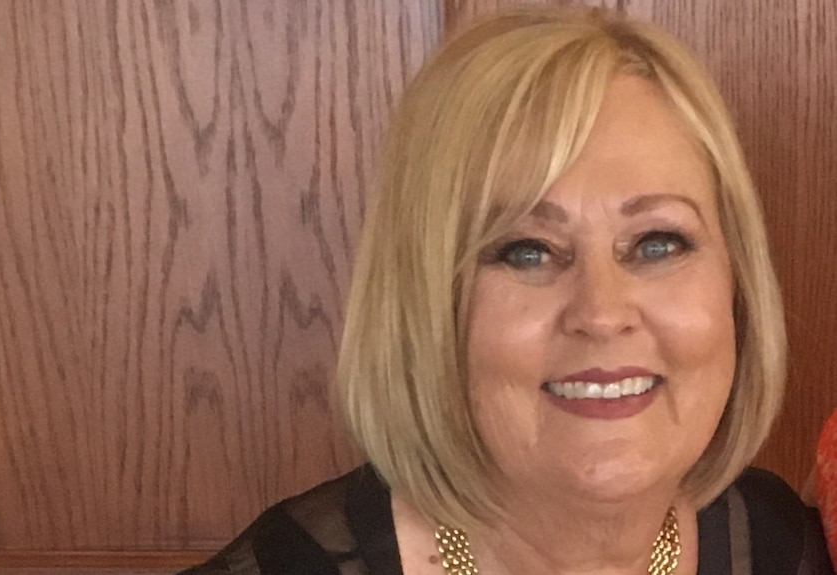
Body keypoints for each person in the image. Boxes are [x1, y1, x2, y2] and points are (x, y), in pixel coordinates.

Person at [180, 7, 833, 574]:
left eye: (658, 243)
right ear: (426, 308)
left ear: (737, 287)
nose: (602, 313)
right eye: (528, 250)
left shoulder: (783, 544)